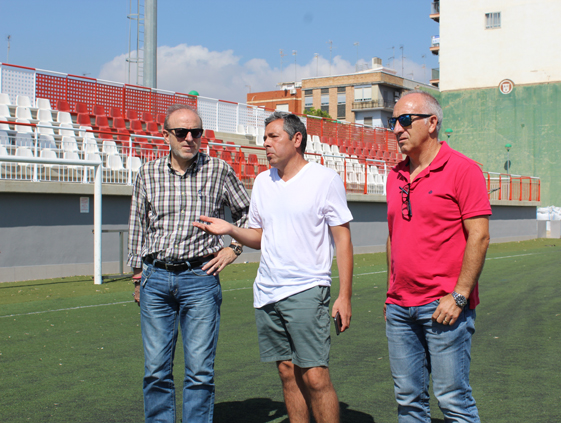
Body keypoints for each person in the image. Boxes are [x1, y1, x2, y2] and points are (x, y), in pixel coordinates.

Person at [193, 111, 353, 423]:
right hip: (267, 292)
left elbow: (343, 240)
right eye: (264, 137)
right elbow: (259, 236)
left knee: (315, 376)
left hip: (307, 288)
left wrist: (344, 296)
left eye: (273, 137)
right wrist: (231, 229)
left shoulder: (325, 180)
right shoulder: (263, 182)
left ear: (297, 139)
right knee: (287, 373)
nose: (265, 143)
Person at [127, 104, 250, 422]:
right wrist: (137, 276)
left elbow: (248, 212)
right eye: (181, 132)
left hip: (200, 278)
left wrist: (234, 248)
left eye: (196, 132)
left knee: (199, 371)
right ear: (165, 134)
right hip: (155, 278)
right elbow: (138, 225)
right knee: (155, 370)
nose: (189, 138)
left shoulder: (219, 169)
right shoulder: (147, 173)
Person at [384, 92, 491, 423]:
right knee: (408, 401)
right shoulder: (395, 175)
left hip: (444, 306)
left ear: (432, 123)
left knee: (453, 400)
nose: (397, 129)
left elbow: (480, 236)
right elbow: (393, 236)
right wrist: (390, 294)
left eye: (405, 120)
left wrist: (459, 296)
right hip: (400, 308)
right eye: (393, 121)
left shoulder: (463, 170)